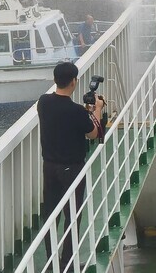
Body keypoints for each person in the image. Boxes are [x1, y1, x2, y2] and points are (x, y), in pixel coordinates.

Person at [37, 62, 105, 271]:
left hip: (49, 167)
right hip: (72, 169)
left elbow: (63, 118)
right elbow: (94, 133)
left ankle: (51, 263)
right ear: (74, 81)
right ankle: (67, 262)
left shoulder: (43, 102)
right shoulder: (76, 111)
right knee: (72, 216)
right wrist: (98, 110)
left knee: (51, 215)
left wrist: (85, 112)